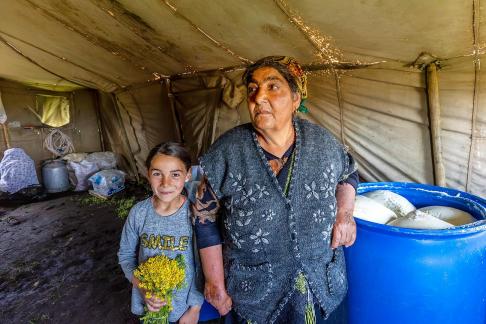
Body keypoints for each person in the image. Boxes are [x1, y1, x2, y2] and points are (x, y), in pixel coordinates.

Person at [193, 56, 358, 324]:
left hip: (321, 287)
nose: (259, 98)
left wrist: (345, 213)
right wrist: (214, 282)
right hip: (254, 292)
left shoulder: (324, 143)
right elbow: (203, 217)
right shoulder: (226, 152)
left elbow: (349, 173)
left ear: (295, 99)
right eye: (252, 89)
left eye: (273, 87)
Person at [118, 142, 204, 324]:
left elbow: (201, 264)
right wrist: (142, 288)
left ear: (188, 175)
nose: (166, 183)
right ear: (148, 174)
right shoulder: (139, 213)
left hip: (183, 309)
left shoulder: (194, 214)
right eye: (157, 174)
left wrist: (195, 307)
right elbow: (125, 255)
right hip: (147, 305)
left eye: (175, 174)